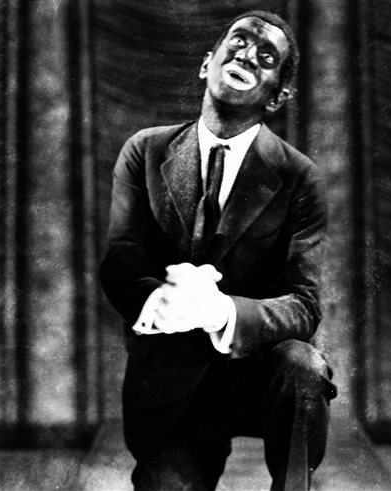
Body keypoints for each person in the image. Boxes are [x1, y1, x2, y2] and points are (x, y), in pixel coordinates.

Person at [100, 10, 337, 491]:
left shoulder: (300, 178)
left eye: (266, 57)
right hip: (171, 377)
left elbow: (305, 305)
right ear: (207, 63)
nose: (247, 54)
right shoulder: (145, 150)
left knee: (303, 367)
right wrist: (159, 300)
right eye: (239, 40)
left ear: (278, 96)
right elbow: (122, 257)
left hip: (258, 373)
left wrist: (221, 312)